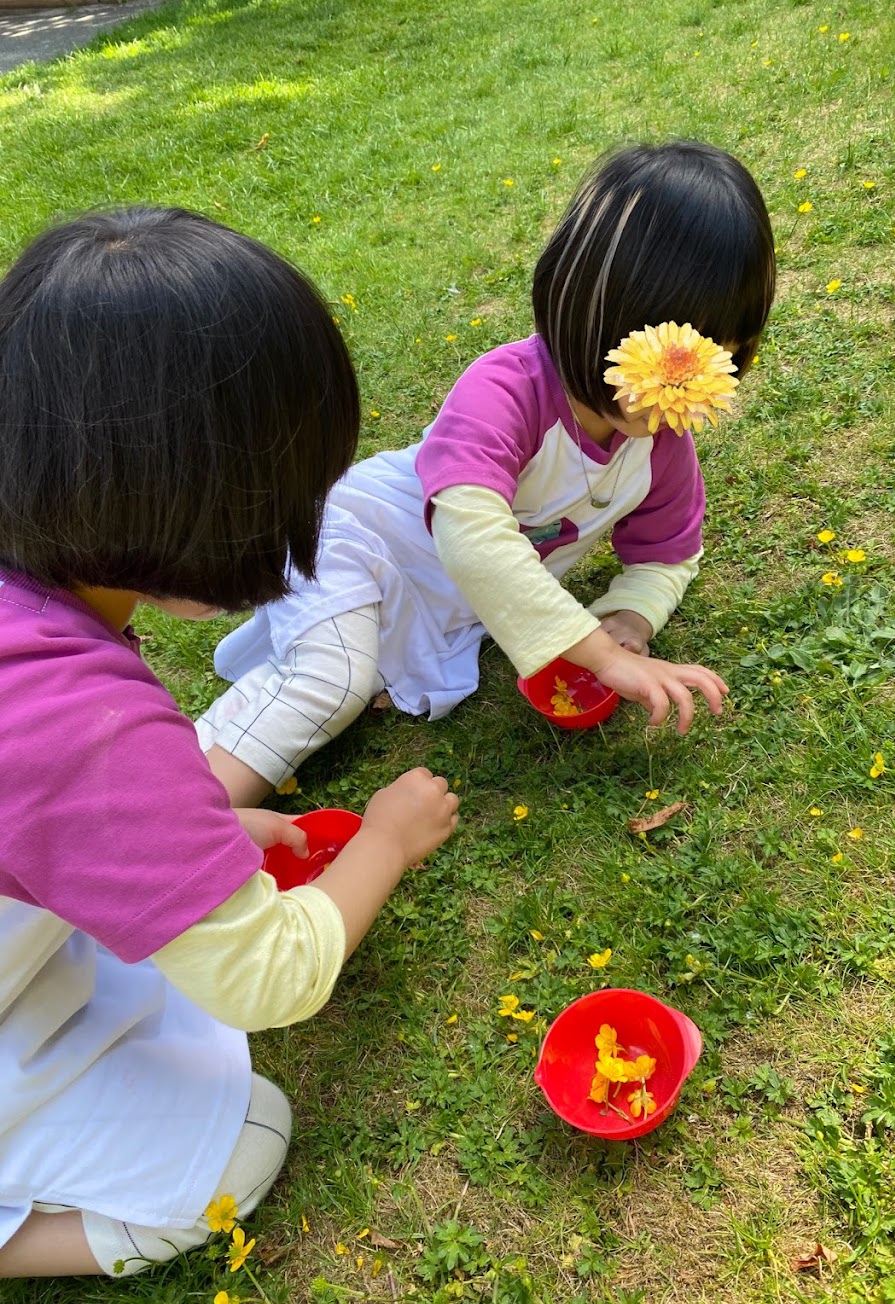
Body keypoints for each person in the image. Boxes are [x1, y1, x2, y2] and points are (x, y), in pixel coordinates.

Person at [0, 207, 459, 1279]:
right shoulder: (79, 719)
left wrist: (197, 832)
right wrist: (383, 840)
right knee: (241, 1143)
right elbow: (269, 977)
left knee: (136, 979)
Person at [198, 140, 777, 808]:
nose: (688, 386)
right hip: (362, 545)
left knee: (341, 685)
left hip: (445, 604)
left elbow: (670, 552)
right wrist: (599, 655)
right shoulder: (504, 390)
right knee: (332, 681)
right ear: (587, 307)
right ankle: (183, 827)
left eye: (719, 359)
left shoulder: (659, 442)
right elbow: (469, 530)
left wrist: (628, 618)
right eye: (670, 356)